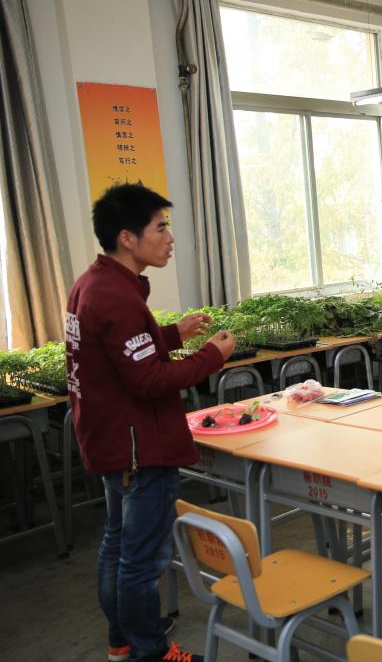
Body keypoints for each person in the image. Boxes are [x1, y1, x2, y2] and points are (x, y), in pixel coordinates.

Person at [66, 183, 235, 662]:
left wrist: (172, 334)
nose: (169, 238)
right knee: (142, 561)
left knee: (117, 546)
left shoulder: (92, 284)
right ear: (127, 237)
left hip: (111, 442)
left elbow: (120, 350)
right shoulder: (115, 297)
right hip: (139, 449)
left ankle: (122, 640)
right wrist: (211, 356)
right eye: (160, 228)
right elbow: (148, 380)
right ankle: (151, 653)